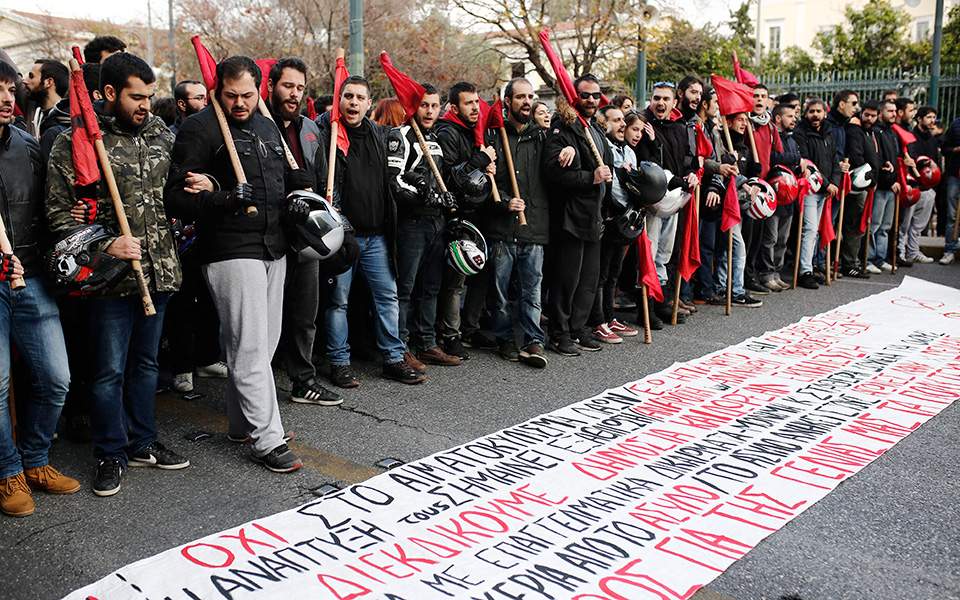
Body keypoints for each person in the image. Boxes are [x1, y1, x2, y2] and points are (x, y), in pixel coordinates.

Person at [48, 52, 189, 495]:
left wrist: (205, 186)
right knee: (108, 371)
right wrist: (106, 244)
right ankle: (111, 450)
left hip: (159, 272)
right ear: (109, 93)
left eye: (149, 96)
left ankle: (142, 441)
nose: (145, 105)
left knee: (146, 365)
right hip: (109, 279)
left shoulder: (161, 133)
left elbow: (175, 192)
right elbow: (58, 216)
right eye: (136, 97)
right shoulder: (79, 141)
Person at [166, 55, 309, 473]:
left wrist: (299, 186)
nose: (240, 103)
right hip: (229, 247)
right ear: (218, 90)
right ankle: (267, 439)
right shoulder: (200, 128)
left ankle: (241, 422)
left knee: (264, 345)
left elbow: (279, 182)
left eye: (247, 95)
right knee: (249, 347)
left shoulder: (267, 125)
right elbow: (175, 196)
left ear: (259, 90)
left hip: (273, 245)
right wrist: (221, 198)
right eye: (231, 95)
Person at [0, 60, 77, 517]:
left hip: (29, 277)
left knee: (55, 378)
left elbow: (50, 209)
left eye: (10, 90)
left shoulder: (28, 146)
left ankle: (35, 460)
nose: (6, 99)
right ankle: (7, 471)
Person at [318, 75, 425, 387]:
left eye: (359, 97)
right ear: (339, 101)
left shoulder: (381, 136)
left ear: (369, 103)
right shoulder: (329, 136)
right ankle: (339, 362)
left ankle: (393, 358)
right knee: (338, 301)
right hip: (344, 236)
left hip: (377, 236)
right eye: (347, 96)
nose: (353, 102)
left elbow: (398, 173)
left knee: (387, 297)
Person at [266, 57, 344, 405]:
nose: (294, 93)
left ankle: (303, 380)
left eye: (300, 87)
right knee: (267, 315)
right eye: (288, 86)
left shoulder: (311, 129)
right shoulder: (259, 125)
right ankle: (260, 384)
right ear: (271, 86)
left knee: (304, 312)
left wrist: (336, 222)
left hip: (306, 237)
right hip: (269, 237)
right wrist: (285, 187)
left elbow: (324, 180)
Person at [387, 82, 461, 370]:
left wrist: (445, 195)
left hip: (436, 222)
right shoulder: (400, 135)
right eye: (424, 105)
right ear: (413, 107)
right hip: (411, 224)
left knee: (431, 287)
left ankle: (427, 343)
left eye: (434, 106)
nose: (429, 111)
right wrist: (422, 194)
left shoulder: (437, 138)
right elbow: (394, 181)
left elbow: (441, 178)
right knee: (405, 289)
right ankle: (400, 346)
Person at [543, 73, 614, 355]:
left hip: (594, 216)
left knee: (588, 281)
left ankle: (578, 328)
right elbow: (552, 172)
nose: (591, 100)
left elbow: (607, 169)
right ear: (575, 97)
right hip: (570, 217)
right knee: (566, 280)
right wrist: (590, 177)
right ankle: (559, 333)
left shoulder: (596, 129)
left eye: (596, 95)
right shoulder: (563, 128)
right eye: (585, 95)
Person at [485, 78, 553, 365]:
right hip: (502, 228)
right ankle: (505, 339)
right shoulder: (494, 137)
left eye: (530, 96)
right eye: (520, 97)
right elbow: (485, 185)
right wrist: (503, 201)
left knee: (532, 291)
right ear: (508, 102)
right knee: (499, 293)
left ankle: (533, 341)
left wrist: (569, 150)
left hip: (533, 227)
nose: (527, 102)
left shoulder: (543, 138)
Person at [435, 81, 495, 357]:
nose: (475, 108)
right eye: (468, 103)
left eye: (476, 102)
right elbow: (450, 178)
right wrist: (480, 160)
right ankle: (450, 335)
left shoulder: (474, 131)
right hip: (456, 216)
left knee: (475, 274)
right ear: (454, 107)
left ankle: (468, 329)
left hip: (476, 213)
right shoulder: (447, 132)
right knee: (454, 280)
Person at [637, 81, 698, 324]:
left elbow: (687, 161)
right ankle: (646, 307)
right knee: (649, 253)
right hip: (652, 200)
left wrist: (691, 175)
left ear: (674, 103)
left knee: (665, 252)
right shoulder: (643, 124)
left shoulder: (680, 128)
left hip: (674, 199)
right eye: (656, 98)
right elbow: (648, 162)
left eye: (665, 99)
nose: (660, 103)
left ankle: (662, 299)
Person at [588, 105, 640, 344]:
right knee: (601, 273)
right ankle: (598, 321)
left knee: (613, 273)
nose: (622, 125)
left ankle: (610, 317)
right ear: (604, 123)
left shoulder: (629, 152)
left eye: (622, 120)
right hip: (608, 217)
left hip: (625, 220)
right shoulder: (602, 148)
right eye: (616, 120)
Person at [713, 112, 763, 308]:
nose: (744, 124)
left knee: (731, 248)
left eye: (746, 120)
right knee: (735, 246)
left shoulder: (744, 147)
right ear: (729, 121)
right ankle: (734, 291)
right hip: (724, 203)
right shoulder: (722, 141)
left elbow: (746, 174)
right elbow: (727, 172)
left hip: (740, 204)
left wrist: (753, 177)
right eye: (740, 120)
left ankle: (724, 286)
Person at [794, 98, 841, 289]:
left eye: (818, 111)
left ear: (825, 113)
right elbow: (808, 163)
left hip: (825, 190)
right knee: (810, 229)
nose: (815, 115)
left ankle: (811, 266)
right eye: (811, 111)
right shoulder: (801, 133)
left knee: (817, 231)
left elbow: (835, 160)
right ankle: (805, 271)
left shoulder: (829, 133)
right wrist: (828, 184)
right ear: (806, 114)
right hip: (810, 189)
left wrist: (834, 183)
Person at [758, 102, 801, 290]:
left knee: (783, 239)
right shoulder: (772, 136)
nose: (794, 119)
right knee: (771, 238)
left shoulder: (792, 139)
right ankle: (766, 274)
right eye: (789, 116)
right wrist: (797, 159)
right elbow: (773, 158)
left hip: (789, 196)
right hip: (774, 194)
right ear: (778, 118)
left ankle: (777, 271)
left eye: (794, 116)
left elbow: (797, 160)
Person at [839, 100, 880, 278]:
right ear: (861, 113)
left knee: (858, 226)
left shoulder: (871, 131)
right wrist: (868, 176)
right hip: (858, 185)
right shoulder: (855, 130)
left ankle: (852, 262)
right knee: (854, 225)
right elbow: (856, 156)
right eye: (867, 115)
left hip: (867, 184)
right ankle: (849, 264)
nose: (869, 118)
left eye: (873, 116)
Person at [899, 106, 940, 265]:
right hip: (913, 186)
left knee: (919, 225)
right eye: (929, 117)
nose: (932, 121)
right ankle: (900, 253)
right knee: (905, 224)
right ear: (919, 119)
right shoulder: (910, 137)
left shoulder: (933, 139)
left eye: (934, 117)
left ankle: (913, 251)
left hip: (928, 188)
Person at [867, 99, 901, 274]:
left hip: (891, 186)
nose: (894, 114)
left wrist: (895, 180)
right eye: (890, 111)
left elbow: (894, 159)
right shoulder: (876, 132)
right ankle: (868, 258)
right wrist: (888, 179)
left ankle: (880, 258)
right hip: (881, 185)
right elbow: (877, 158)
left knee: (885, 226)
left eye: (895, 111)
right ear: (881, 113)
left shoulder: (892, 132)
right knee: (874, 224)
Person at [24, 58, 68, 137]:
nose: (24, 81)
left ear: (48, 82)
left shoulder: (64, 121)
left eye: (31, 76)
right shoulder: (40, 117)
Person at [942, 113, 960, 265]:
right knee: (952, 215)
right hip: (955, 175)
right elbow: (944, 148)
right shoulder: (955, 125)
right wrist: (956, 150)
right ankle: (950, 250)